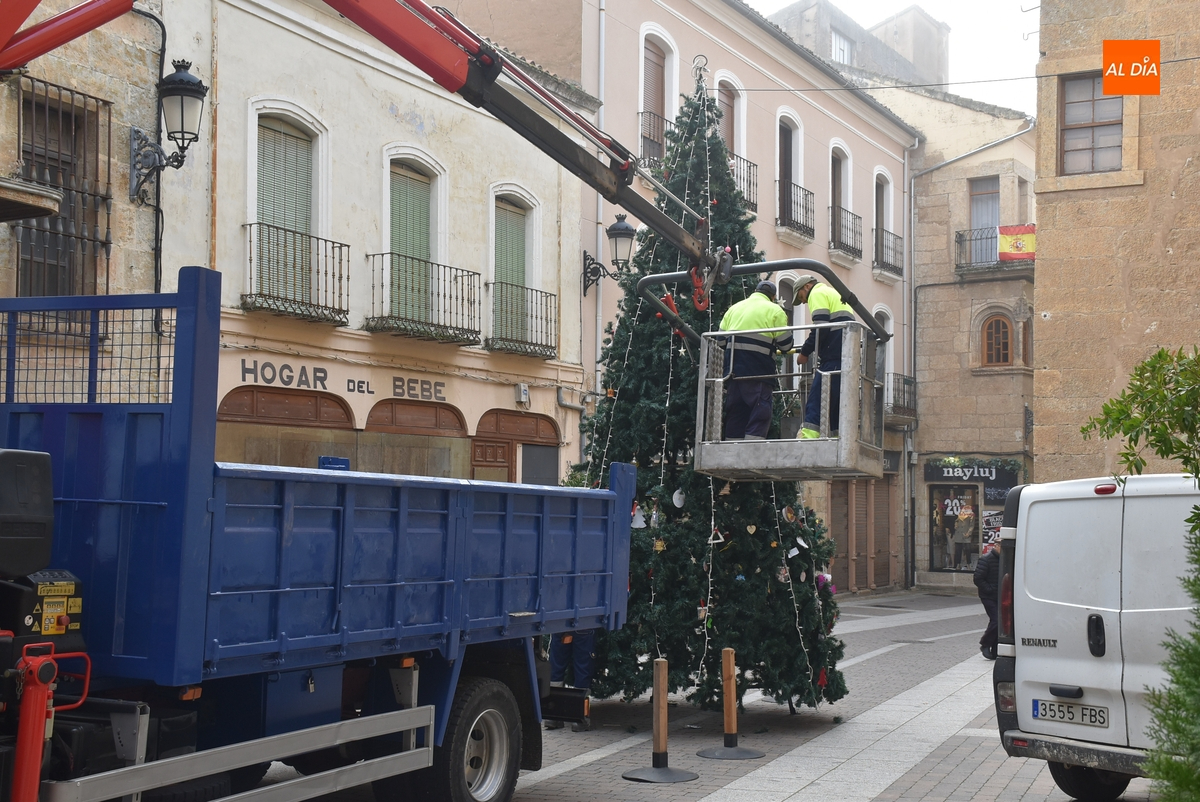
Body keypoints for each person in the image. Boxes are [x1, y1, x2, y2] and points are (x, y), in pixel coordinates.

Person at [718, 280, 793, 440]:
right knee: (760, 412)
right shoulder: (775, 310)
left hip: (733, 372)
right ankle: (752, 452)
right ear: (773, 297)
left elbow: (720, 342)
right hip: (758, 372)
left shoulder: (734, 309)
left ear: (755, 291)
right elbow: (786, 345)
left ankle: (732, 454)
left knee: (736, 414)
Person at [790, 275, 855, 439]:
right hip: (846, 355)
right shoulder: (832, 293)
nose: (804, 302)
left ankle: (807, 437)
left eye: (801, 297)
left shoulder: (817, 293)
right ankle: (835, 438)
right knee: (835, 403)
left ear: (807, 287)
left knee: (817, 398)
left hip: (832, 356)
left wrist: (804, 353)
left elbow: (820, 328)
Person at [544, 629, 596, 731]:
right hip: (584, 623)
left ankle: (553, 715)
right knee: (583, 667)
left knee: (556, 667)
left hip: (560, 622)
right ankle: (579, 718)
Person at [973, 540, 1002, 660]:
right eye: (1001, 546)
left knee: (999, 622)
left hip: (1000, 596)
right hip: (988, 596)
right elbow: (978, 579)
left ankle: (995, 650)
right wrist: (989, 589)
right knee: (996, 620)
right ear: (995, 546)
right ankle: (985, 644)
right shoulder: (986, 559)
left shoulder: (1005, 558)